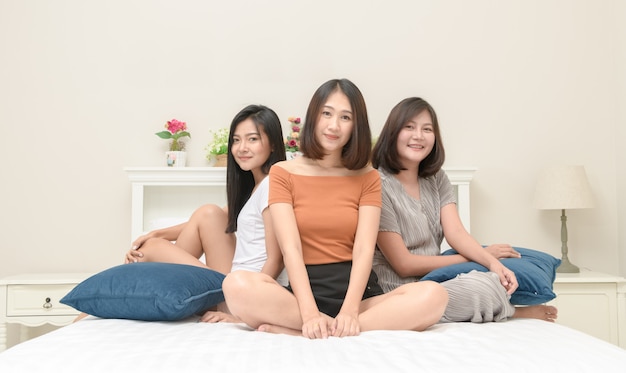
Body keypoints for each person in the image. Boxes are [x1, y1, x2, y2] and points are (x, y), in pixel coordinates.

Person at [222, 79, 448, 339]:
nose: (333, 125)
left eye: (345, 117)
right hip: (300, 296)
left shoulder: (368, 177)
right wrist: (308, 313)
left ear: (356, 126)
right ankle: (318, 324)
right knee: (235, 284)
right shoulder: (282, 172)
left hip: (358, 297)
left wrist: (350, 312)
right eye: (326, 113)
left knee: (434, 295)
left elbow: (364, 249)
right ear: (314, 117)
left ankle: (305, 329)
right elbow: (290, 249)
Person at [371, 97, 557, 323]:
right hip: (397, 288)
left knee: (487, 281)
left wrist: (493, 264)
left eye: (427, 129)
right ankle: (513, 312)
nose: (418, 136)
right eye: (409, 127)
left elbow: (457, 233)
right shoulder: (376, 183)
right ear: (392, 133)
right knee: (472, 289)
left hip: (435, 278)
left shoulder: (437, 179)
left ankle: (485, 303)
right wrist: (482, 256)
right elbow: (404, 264)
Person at [124, 104, 288, 322]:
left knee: (149, 251)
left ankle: (118, 301)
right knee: (206, 214)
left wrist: (243, 312)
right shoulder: (254, 189)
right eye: (236, 140)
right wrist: (156, 233)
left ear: (274, 144)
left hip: (247, 293)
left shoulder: (272, 185)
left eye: (252, 139)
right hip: (235, 283)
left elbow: (277, 259)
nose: (242, 148)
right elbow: (212, 219)